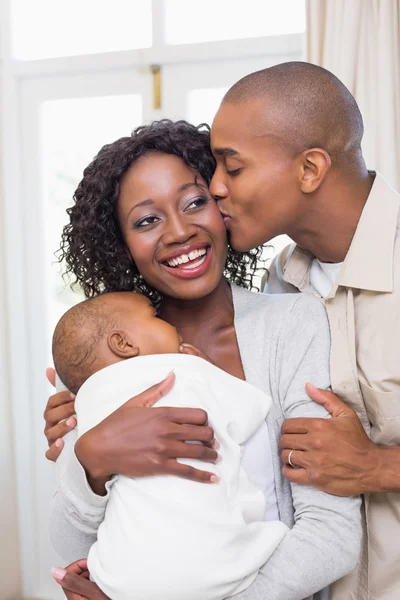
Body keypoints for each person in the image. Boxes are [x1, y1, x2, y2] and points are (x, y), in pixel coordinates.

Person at [44, 120, 361, 600]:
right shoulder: (107, 364)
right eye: (147, 220)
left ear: (223, 206)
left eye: (195, 202)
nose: (179, 231)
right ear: (121, 243)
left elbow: (331, 535)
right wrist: (89, 460)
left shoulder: (291, 324)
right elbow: (73, 551)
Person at [209, 61, 400, 600]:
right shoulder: (278, 288)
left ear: (310, 168)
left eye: (233, 167)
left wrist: (378, 466)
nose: (215, 187)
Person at [52, 290, 288, 600]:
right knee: (272, 536)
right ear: (124, 344)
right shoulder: (183, 371)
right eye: (156, 316)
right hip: (221, 567)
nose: (170, 324)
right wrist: (209, 372)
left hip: (121, 579)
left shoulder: (82, 402)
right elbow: (250, 414)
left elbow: (72, 539)